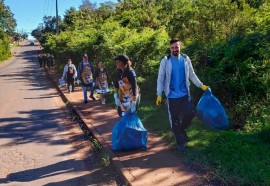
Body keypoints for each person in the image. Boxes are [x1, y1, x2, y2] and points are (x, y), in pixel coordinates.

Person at [156, 38, 208, 151]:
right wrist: (159, 94)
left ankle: (181, 130)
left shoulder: (185, 59)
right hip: (171, 96)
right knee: (174, 119)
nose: (174, 49)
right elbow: (160, 79)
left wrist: (201, 85)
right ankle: (180, 142)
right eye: (172, 48)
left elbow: (192, 74)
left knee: (190, 114)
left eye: (176, 47)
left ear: (181, 47)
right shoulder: (165, 61)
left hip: (184, 94)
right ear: (170, 49)